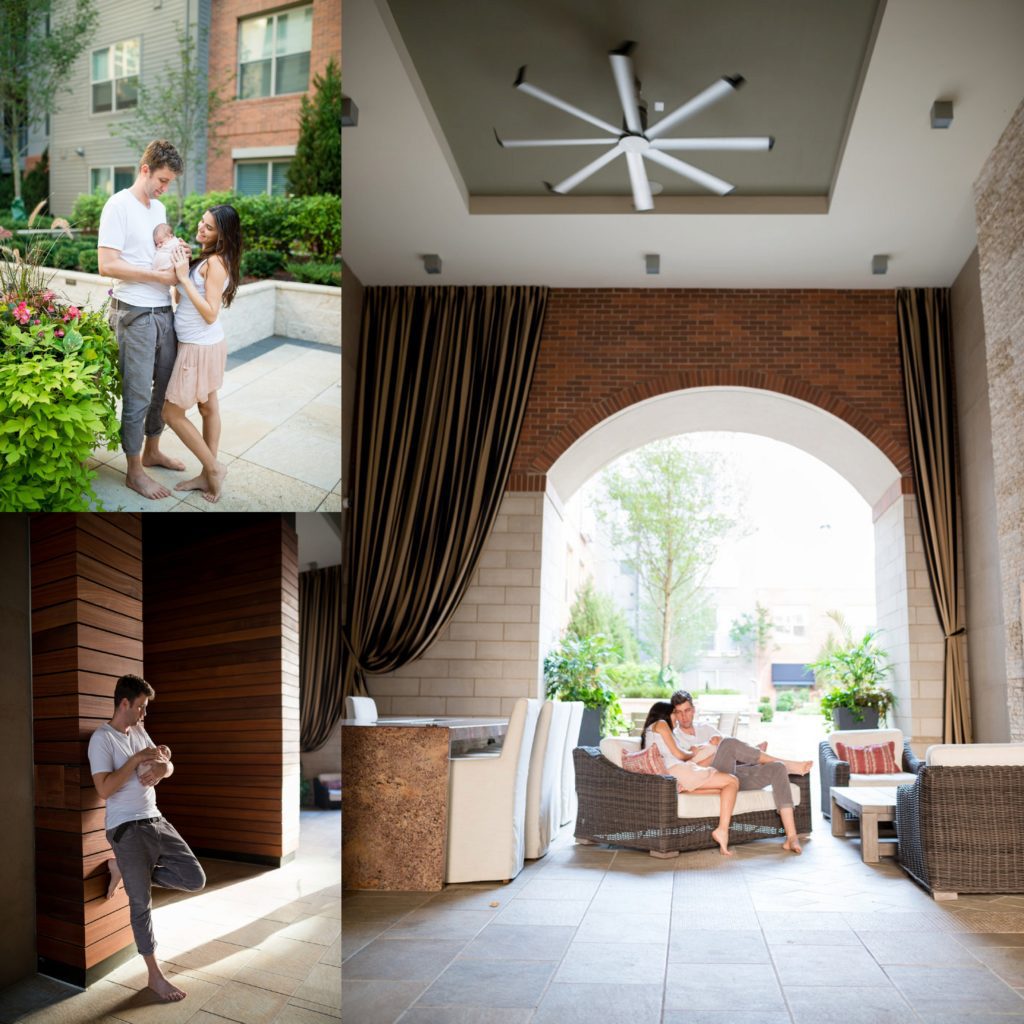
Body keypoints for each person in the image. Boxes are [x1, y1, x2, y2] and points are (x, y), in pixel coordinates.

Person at [87, 674, 206, 1003]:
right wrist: (137, 760)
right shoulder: (102, 739)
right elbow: (104, 789)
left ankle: (123, 866)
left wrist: (164, 767)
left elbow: (166, 766)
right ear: (124, 704)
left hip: (157, 820)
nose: (144, 715)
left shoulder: (139, 731)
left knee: (194, 878)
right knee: (141, 906)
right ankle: (155, 976)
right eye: (140, 707)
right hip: (126, 827)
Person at [97, 140, 186, 500]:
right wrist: (159, 279)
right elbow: (107, 264)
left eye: (170, 182)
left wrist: (177, 256)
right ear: (145, 169)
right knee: (136, 394)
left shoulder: (159, 207)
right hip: (134, 311)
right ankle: (134, 470)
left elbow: (156, 255)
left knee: (162, 391)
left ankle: (152, 451)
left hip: (165, 311)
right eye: (162, 179)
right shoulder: (118, 205)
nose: (165, 188)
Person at [160, 204, 242, 503]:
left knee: (171, 412)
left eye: (208, 227)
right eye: (201, 222)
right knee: (208, 409)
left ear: (223, 234)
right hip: (204, 344)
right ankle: (208, 475)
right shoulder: (208, 259)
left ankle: (213, 468)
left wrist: (183, 277)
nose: (200, 228)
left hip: (199, 347)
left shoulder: (217, 263)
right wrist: (185, 266)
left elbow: (209, 313)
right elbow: (182, 299)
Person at [670, 690, 812, 854]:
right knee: (727, 743)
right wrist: (715, 751)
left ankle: (791, 837)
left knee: (777, 768)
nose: (684, 717)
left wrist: (719, 746)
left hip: (731, 775)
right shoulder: (674, 738)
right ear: (674, 714)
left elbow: (736, 750)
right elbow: (687, 770)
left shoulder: (706, 729)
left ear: (693, 710)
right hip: (708, 777)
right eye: (679, 712)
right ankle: (788, 764)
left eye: (687, 711)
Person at [639, 701, 739, 856]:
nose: (677, 718)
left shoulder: (651, 731)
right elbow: (679, 755)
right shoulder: (661, 724)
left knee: (724, 788)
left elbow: (675, 753)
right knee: (732, 781)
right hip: (678, 771)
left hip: (675, 773)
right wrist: (692, 752)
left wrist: (689, 752)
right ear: (665, 713)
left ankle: (682, 790)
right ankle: (722, 830)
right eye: (675, 713)